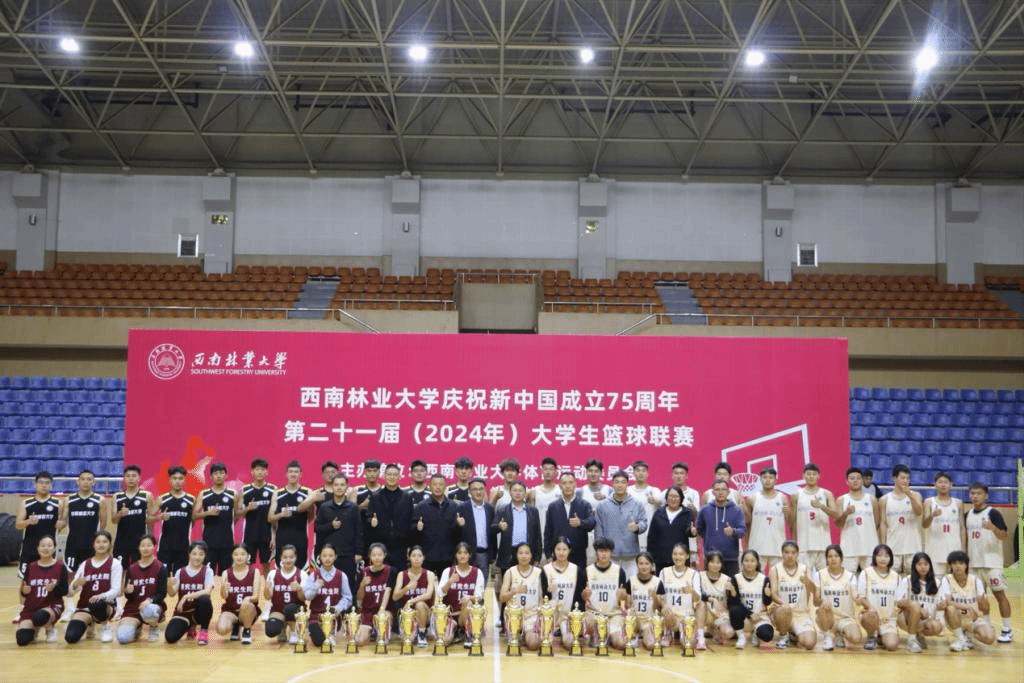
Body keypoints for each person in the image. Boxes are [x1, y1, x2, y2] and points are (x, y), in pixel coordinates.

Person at [964, 482, 1013, 643]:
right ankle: (986, 625)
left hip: (992, 563)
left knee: (999, 595)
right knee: (979, 598)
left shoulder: (993, 513)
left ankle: (1007, 628)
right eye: (972, 493)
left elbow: (1004, 536)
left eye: (978, 493)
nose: (975, 496)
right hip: (974, 563)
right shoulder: (967, 515)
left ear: (986, 495)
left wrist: (993, 528)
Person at [64, 530, 121, 644]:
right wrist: (75, 584)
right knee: (71, 637)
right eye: (98, 542)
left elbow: (116, 590)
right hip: (85, 606)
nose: (101, 544)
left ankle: (105, 626)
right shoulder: (85, 564)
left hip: (105, 606)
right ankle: (90, 623)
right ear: (93, 544)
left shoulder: (114, 563)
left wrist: (101, 596)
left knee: (97, 604)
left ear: (110, 544)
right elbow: (70, 593)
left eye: (105, 542)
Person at [15, 535, 68, 646]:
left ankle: (50, 628)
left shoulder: (60, 566)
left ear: (54, 548)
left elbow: (65, 591)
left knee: (40, 616)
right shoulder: (31, 567)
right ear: (38, 548)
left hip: (51, 606)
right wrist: (25, 592)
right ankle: (35, 629)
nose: (46, 548)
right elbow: (24, 591)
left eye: (49, 545)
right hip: (32, 607)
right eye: (42, 545)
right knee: (22, 639)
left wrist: (54, 588)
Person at [314, 474, 364, 591]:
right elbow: (317, 529)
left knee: (349, 586)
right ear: (332, 487)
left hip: (348, 554)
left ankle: (350, 604)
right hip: (328, 555)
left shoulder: (353, 508)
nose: (339, 487)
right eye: (336, 485)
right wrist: (331, 526)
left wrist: (358, 552)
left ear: (347, 487)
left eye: (342, 485)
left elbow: (359, 531)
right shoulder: (324, 507)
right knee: (328, 587)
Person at [594, 471, 648, 577]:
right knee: (611, 584)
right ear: (612, 484)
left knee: (630, 584)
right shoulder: (602, 506)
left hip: (631, 554)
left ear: (627, 484)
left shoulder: (637, 504)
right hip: (610, 555)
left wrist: (637, 527)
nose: (620, 485)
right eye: (617, 482)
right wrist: (600, 551)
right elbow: (598, 531)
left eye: (623, 482)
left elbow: (644, 523)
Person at [116, 534, 168, 644]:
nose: (146, 548)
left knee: (150, 610)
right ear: (138, 548)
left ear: (154, 547)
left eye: (149, 545)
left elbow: (162, 593)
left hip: (151, 606)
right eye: (143, 545)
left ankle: (153, 626)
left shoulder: (160, 567)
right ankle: (137, 627)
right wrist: (128, 591)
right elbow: (129, 597)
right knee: (123, 638)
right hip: (134, 608)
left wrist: (150, 600)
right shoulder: (131, 568)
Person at [301, 543, 354, 650]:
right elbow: (307, 596)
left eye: (330, 555)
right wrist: (316, 586)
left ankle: (331, 633)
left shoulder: (341, 575)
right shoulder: (314, 575)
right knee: (318, 641)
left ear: (335, 557)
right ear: (320, 557)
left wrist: (338, 607)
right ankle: (319, 632)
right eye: (324, 556)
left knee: (325, 637)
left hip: (333, 615)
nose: (327, 558)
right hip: (316, 615)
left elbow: (348, 597)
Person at [942, 550, 997, 651]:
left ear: (966, 565)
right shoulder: (947, 579)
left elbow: (983, 603)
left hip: (974, 619)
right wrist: (967, 606)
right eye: (954, 563)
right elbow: (948, 601)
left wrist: (986, 620)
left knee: (990, 638)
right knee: (950, 608)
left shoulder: (975, 580)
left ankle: (969, 635)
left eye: (961, 563)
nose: (958, 566)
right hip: (956, 618)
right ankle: (961, 639)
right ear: (950, 565)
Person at [769, 540, 818, 650]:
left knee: (809, 643)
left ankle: (793, 634)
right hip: (782, 611)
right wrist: (784, 604)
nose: (790, 556)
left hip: (801, 613)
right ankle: (783, 635)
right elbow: (773, 594)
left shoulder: (804, 569)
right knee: (784, 609)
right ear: (782, 554)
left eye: (793, 553)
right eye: (786, 552)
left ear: (797, 554)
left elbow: (814, 590)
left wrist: (808, 582)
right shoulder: (775, 569)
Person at [855, 543, 904, 651]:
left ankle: (882, 636)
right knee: (870, 615)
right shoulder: (866, 573)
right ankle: (871, 636)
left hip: (888, 620)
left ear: (891, 558)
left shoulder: (896, 577)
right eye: (880, 555)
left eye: (886, 556)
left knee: (892, 646)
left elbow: (899, 600)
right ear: (874, 557)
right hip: (871, 615)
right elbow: (861, 597)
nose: (883, 559)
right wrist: (870, 608)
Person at [582, 537, 628, 651]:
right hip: (594, 613)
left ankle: (609, 634)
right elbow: (583, 597)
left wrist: (623, 598)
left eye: (606, 551)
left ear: (611, 553)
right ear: (596, 552)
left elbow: (623, 601)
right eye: (601, 551)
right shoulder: (588, 570)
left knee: (620, 644)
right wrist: (584, 595)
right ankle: (597, 635)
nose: (604, 554)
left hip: (613, 614)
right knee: (586, 619)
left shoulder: (619, 571)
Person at [498, 543, 546, 651]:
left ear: (531, 555)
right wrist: (514, 591)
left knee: (533, 644)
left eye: (527, 553)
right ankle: (518, 633)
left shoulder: (538, 573)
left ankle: (527, 634)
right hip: (514, 616)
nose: (524, 556)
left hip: (531, 615)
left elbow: (541, 598)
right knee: (513, 644)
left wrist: (540, 617)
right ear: (516, 555)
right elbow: (501, 598)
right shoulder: (510, 572)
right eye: (520, 553)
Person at [165, 541, 215, 645]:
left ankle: (203, 631)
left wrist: (186, 597)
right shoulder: (180, 572)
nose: (197, 557)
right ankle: (189, 626)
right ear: (189, 554)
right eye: (194, 554)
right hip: (184, 612)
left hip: (199, 612)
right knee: (170, 637)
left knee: (205, 599)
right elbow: (172, 593)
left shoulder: (208, 571)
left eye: (201, 554)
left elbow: (207, 591)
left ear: (205, 556)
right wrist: (169, 584)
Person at [492, 480, 542, 585]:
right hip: (508, 554)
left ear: (525, 493)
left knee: (527, 586)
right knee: (508, 587)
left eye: (520, 490)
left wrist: (537, 556)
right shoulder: (502, 510)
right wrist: (499, 527)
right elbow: (491, 529)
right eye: (515, 490)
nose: (518, 493)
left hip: (526, 554)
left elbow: (537, 534)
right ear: (510, 492)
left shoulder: (533, 511)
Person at [15, 471, 62, 578]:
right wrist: (28, 521)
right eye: (41, 482)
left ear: (51, 486)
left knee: (48, 579)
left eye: (47, 483)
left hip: (48, 548)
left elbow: (61, 524)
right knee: (26, 580)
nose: (44, 485)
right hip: (29, 548)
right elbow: (18, 525)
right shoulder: (26, 503)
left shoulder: (58, 504)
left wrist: (61, 524)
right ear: (35, 484)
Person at [367, 464, 415, 570]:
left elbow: (411, 522)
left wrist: (410, 546)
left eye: (395, 474)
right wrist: (371, 521)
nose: (392, 477)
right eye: (389, 474)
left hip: (401, 546)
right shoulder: (376, 497)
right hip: (381, 547)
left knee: (400, 576)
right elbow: (368, 518)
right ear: (384, 476)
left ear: (399, 477)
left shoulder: (407, 497)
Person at [412, 474, 460, 578]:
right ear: (429, 486)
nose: (438, 487)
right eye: (435, 484)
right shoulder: (421, 506)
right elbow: (412, 530)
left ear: (445, 486)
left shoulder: (454, 506)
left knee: (446, 586)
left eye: (441, 484)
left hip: (448, 556)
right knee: (426, 586)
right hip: (427, 557)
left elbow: (458, 534)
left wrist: (460, 525)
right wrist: (417, 528)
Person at [438, 542, 486, 648]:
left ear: (470, 555)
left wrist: (470, 597)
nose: (462, 555)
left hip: (468, 612)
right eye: (459, 553)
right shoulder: (448, 571)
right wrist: (449, 582)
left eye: (465, 553)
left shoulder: (477, 572)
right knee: (445, 641)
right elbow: (439, 593)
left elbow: (479, 597)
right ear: (456, 555)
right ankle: (456, 631)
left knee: (469, 604)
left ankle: (468, 633)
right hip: (451, 615)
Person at [544, 473, 595, 569]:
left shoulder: (584, 505)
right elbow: (548, 532)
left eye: (570, 483)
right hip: (558, 554)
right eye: (564, 483)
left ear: (575, 484)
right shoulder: (553, 506)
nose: (567, 486)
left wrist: (580, 523)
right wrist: (548, 555)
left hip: (578, 554)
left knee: (579, 578)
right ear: (560, 485)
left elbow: (592, 523)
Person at [815, 544, 862, 650]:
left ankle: (839, 634)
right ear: (826, 559)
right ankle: (827, 635)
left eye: (836, 556)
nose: (833, 559)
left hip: (845, 618)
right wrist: (821, 602)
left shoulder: (850, 576)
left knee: (856, 638)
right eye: (830, 556)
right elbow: (816, 600)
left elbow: (856, 596)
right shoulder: (820, 574)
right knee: (824, 608)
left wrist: (862, 600)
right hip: (828, 615)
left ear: (841, 558)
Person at [879, 464, 924, 575]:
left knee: (913, 579)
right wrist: (883, 545)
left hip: (913, 546)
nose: (905, 481)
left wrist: (909, 494)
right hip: (893, 547)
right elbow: (883, 523)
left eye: (907, 478)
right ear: (894, 478)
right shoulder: (884, 499)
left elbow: (919, 512)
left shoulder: (916, 495)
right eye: (902, 478)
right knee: (892, 579)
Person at [543, 537, 586, 650]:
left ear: (569, 550)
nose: (561, 553)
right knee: (543, 643)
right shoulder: (546, 570)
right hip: (552, 615)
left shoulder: (577, 570)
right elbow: (542, 598)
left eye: (564, 549)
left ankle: (567, 631)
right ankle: (551, 631)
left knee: (569, 643)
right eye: (558, 549)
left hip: (568, 616)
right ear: (553, 550)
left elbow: (579, 598)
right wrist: (548, 592)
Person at [61, 469, 107, 576]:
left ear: (93, 482)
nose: (86, 482)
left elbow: (103, 524)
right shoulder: (69, 500)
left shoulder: (100, 500)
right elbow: (63, 521)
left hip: (91, 545)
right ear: (78, 481)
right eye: (83, 479)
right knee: (70, 573)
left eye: (89, 479)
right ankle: (71, 588)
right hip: (72, 544)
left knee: (90, 574)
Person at [235, 458, 277, 575]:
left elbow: (274, 517)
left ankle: (267, 587)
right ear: (252, 472)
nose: (260, 472)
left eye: (262, 470)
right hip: (250, 534)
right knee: (247, 564)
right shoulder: (245, 490)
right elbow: (237, 513)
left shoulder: (273, 489)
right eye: (257, 469)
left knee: (266, 564)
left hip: (267, 534)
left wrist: (274, 536)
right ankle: (249, 586)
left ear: (266, 472)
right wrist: (247, 508)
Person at [835, 467, 881, 573]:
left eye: (858, 478)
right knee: (847, 579)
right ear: (847, 481)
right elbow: (838, 524)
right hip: (849, 549)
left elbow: (877, 523)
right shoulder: (841, 500)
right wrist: (846, 513)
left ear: (862, 481)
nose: (855, 481)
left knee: (871, 578)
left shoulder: (872, 499)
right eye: (852, 478)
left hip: (869, 547)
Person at [269, 460, 313, 570]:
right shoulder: (277, 494)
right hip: (282, 538)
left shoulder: (308, 492)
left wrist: (308, 509)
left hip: (300, 537)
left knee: (301, 570)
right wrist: (281, 515)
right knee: (281, 570)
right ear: (286, 474)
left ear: (300, 474)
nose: (293, 474)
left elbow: (311, 517)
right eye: (291, 472)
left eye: (296, 472)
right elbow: (270, 518)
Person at [193, 462, 236, 574]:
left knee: (225, 575)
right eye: (216, 473)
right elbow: (193, 515)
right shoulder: (204, 494)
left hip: (227, 542)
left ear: (226, 475)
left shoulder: (233, 494)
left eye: (221, 473)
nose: (219, 476)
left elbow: (236, 515)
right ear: (211, 476)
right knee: (207, 574)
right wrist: (208, 513)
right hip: (208, 542)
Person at [793, 463, 837, 571]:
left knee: (825, 577)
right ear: (803, 476)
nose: (811, 476)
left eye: (814, 474)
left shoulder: (826, 494)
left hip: (823, 545)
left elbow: (836, 515)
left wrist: (822, 506)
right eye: (808, 474)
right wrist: (795, 543)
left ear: (818, 476)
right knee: (804, 577)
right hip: (804, 546)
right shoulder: (797, 495)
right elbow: (792, 521)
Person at [697, 480, 746, 577]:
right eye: (717, 490)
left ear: (728, 492)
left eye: (723, 489)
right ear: (713, 492)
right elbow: (700, 530)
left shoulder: (737, 510)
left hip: (731, 559)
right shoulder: (704, 510)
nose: (720, 492)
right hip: (711, 559)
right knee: (708, 586)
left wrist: (733, 531)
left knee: (730, 586)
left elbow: (742, 532)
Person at [216, 544, 262, 645]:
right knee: (221, 629)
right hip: (231, 610)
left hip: (248, 610)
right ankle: (235, 626)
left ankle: (246, 630)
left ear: (248, 556)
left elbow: (256, 597)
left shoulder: (254, 572)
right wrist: (223, 588)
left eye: (242, 554)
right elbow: (224, 596)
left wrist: (248, 599)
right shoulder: (226, 573)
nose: (239, 557)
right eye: (236, 554)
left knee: (247, 604)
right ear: (232, 556)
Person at [897, 552, 943, 653]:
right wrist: (918, 608)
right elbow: (899, 602)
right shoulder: (907, 580)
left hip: (926, 620)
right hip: (906, 618)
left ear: (930, 566)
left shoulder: (937, 583)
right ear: (914, 566)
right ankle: (911, 640)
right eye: (919, 564)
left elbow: (942, 603)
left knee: (936, 626)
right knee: (914, 605)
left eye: (926, 564)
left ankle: (919, 635)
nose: (923, 567)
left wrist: (943, 604)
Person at [745, 467, 789, 570]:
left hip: (777, 547)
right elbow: (747, 523)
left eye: (771, 477)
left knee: (777, 578)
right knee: (756, 578)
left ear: (775, 479)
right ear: (760, 479)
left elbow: (790, 522)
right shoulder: (752, 498)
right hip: (757, 547)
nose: (768, 480)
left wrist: (788, 512)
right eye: (765, 477)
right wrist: (747, 545)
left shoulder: (782, 498)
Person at [113, 465, 156, 569]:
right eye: (128, 476)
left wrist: (150, 537)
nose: (131, 478)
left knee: (140, 570)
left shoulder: (147, 495)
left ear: (139, 478)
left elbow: (151, 520)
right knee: (120, 570)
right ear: (124, 478)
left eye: (134, 476)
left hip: (140, 541)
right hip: (122, 541)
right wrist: (120, 514)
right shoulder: (117, 496)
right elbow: (114, 520)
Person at [658, 543, 701, 648]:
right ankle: (667, 633)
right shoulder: (664, 572)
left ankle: (684, 633)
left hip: (686, 616)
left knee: (688, 645)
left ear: (687, 556)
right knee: (666, 612)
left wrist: (692, 591)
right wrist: (664, 605)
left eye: (681, 554)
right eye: (675, 554)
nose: (678, 557)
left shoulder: (694, 574)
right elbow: (659, 595)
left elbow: (698, 599)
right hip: (670, 616)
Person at [729, 549, 773, 649]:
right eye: (746, 560)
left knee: (767, 635)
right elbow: (733, 603)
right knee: (734, 610)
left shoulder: (764, 579)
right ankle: (741, 637)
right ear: (742, 562)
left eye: (752, 561)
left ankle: (756, 633)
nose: (749, 563)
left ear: (757, 563)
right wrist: (749, 614)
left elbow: (767, 602)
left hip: (759, 616)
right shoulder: (736, 578)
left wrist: (768, 596)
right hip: (743, 617)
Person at [393, 546, 436, 648]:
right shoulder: (402, 574)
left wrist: (411, 601)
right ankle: (411, 630)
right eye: (414, 556)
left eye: (419, 556)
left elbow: (428, 594)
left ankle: (422, 633)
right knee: (407, 640)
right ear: (409, 557)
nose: (417, 558)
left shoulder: (429, 574)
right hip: (409, 614)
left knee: (419, 604)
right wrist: (407, 587)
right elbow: (395, 597)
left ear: (423, 558)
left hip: (425, 612)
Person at [645, 485, 695, 574]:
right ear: (666, 498)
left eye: (676, 497)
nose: (673, 499)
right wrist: (650, 559)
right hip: (661, 560)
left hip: (681, 559)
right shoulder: (658, 513)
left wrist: (692, 532)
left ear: (681, 498)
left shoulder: (687, 513)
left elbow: (690, 532)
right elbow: (652, 537)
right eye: (670, 496)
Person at [296, 460, 339, 562]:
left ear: (337, 473)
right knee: (320, 562)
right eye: (327, 472)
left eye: (333, 472)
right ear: (323, 475)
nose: (330, 475)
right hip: (322, 533)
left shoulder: (344, 492)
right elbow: (300, 508)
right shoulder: (317, 492)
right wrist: (313, 499)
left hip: (340, 532)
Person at [354, 543, 396, 646]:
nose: (377, 558)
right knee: (360, 641)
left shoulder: (391, 571)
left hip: (385, 611)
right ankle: (371, 629)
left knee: (382, 642)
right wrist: (362, 585)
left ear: (384, 555)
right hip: (368, 611)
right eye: (374, 555)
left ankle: (382, 629)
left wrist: (381, 610)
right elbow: (359, 598)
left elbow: (388, 591)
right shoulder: (363, 572)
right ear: (369, 556)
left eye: (380, 555)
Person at [264, 544, 307, 644]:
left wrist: (299, 589)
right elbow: (268, 597)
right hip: (278, 610)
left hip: (295, 610)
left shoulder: (302, 574)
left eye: (291, 557)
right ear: (281, 558)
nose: (288, 560)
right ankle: (282, 628)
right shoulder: (273, 574)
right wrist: (267, 589)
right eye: (285, 557)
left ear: (295, 558)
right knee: (271, 630)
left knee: (290, 609)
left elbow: (303, 599)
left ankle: (293, 631)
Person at [923, 471, 964, 576]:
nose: (943, 485)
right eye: (940, 482)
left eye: (946, 482)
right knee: (936, 582)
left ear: (951, 484)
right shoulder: (929, 502)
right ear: (935, 484)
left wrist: (963, 549)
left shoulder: (958, 503)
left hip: (954, 549)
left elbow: (962, 528)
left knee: (954, 582)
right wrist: (932, 515)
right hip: (934, 550)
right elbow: (924, 524)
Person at [157, 466, 196, 574]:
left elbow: (193, 520)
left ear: (184, 480)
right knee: (163, 577)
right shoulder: (162, 499)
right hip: (165, 546)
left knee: (181, 577)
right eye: (174, 478)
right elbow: (149, 518)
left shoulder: (191, 499)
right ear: (169, 480)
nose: (177, 481)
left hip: (183, 546)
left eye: (180, 478)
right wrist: (159, 517)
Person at [455, 478, 495, 574]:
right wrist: (459, 525)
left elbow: (492, 533)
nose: (478, 492)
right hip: (466, 554)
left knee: (483, 581)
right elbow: (453, 532)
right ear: (469, 492)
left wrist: (492, 555)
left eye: (481, 489)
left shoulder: (489, 508)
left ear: (485, 491)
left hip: (484, 554)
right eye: (475, 489)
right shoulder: (462, 508)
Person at [628, 552, 665, 651]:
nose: (644, 566)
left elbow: (658, 609)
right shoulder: (631, 581)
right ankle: (634, 635)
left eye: (647, 563)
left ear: (652, 565)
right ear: (637, 565)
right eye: (641, 563)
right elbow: (628, 604)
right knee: (622, 643)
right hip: (635, 619)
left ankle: (646, 635)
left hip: (649, 621)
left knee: (651, 645)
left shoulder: (658, 582)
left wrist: (655, 597)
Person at [578, 459, 611, 564]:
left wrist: (606, 498)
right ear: (586, 473)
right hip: (587, 534)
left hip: (606, 533)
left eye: (596, 471)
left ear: (601, 473)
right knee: (589, 564)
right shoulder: (580, 491)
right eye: (590, 471)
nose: (593, 474)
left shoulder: (609, 491)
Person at [698, 550, 733, 648]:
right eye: (712, 562)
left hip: (720, 614)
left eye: (718, 562)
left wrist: (733, 593)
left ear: (722, 564)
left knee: (728, 632)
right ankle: (706, 631)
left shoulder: (727, 580)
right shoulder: (699, 576)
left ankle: (712, 630)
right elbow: (696, 594)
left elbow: (732, 602)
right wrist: (711, 599)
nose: (715, 565)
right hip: (704, 614)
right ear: (707, 563)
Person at [627, 461, 662, 554]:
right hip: (630, 534)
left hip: (650, 534)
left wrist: (656, 502)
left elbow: (661, 504)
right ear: (633, 473)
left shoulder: (654, 491)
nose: (641, 473)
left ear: (647, 473)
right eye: (638, 471)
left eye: (643, 471)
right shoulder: (627, 491)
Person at [529, 457, 562, 555]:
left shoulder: (561, 491)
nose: (548, 472)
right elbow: (530, 519)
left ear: (555, 472)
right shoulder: (534, 492)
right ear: (541, 471)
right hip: (539, 540)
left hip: (558, 541)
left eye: (551, 469)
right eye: (545, 469)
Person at [670, 462, 701, 559]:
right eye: (676, 473)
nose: (679, 476)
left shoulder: (694, 493)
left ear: (686, 476)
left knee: (692, 563)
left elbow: (697, 516)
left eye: (681, 473)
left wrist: (693, 509)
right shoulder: (666, 493)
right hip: (671, 536)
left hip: (689, 536)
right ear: (672, 475)